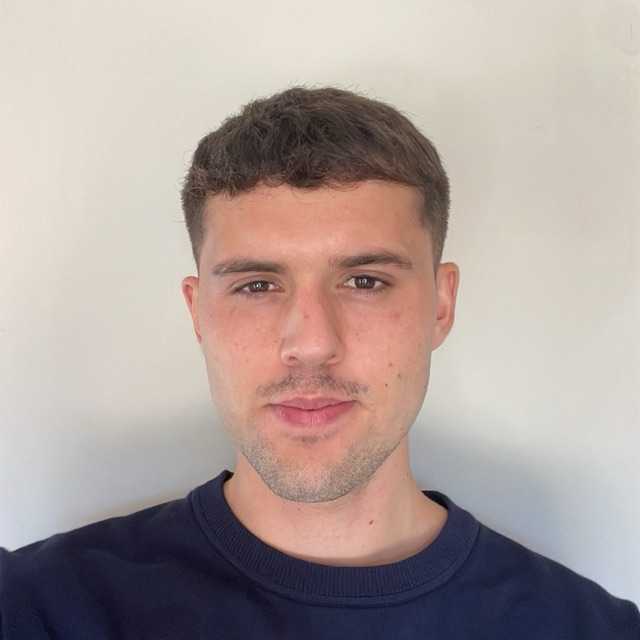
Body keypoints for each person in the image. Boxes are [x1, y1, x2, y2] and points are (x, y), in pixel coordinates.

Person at [0, 86, 638, 639]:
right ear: (197, 311)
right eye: (256, 285)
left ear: (441, 305)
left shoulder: (593, 629)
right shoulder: (38, 608)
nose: (310, 343)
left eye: (364, 281)